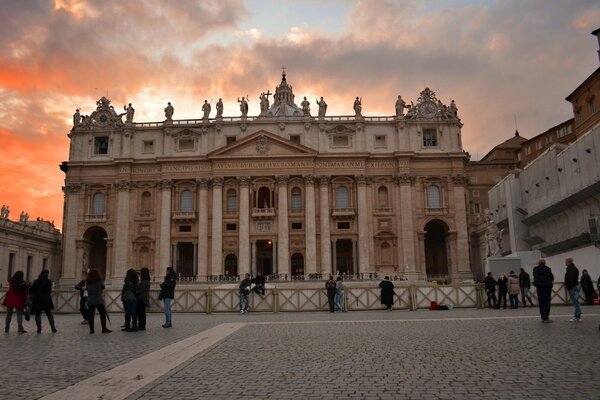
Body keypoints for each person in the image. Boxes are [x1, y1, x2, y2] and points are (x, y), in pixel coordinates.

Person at [86, 269, 111, 334]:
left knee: (91, 316)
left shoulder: (87, 282)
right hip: (98, 299)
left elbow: (87, 289)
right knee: (102, 314)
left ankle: (91, 330)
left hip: (90, 299)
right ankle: (104, 328)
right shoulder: (99, 281)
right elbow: (103, 287)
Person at [533, 258, 554, 323]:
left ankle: (542, 317)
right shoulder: (548, 269)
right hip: (547, 287)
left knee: (541, 302)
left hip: (539, 287)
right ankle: (546, 317)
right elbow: (552, 277)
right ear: (544, 263)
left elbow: (535, 277)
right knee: (547, 302)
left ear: (538, 263)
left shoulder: (535, 269)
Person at [564, 257, 581, 322]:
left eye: (565, 261)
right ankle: (578, 316)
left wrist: (568, 286)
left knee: (576, 302)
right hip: (574, 286)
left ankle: (577, 317)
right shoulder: (573, 268)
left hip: (572, 287)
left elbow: (571, 280)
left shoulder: (571, 269)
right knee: (576, 302)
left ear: (568, 262)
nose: (564, 262)